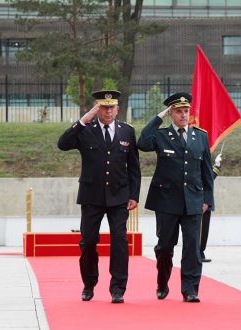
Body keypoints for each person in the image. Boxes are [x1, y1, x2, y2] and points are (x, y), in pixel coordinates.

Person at [57, 90, 141, 304]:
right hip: (92, 196)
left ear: (118, 109)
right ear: (97, 108)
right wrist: (84, 120)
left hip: (119, 195)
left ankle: (118, 288)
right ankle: (89, 284)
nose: (108, 111)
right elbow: (63, 144)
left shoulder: (127, 132)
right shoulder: (86, 130)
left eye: (112, 107)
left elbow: (134, 167)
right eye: (104, 107)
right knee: (88, 242)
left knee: (120, 242)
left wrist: (134, 195)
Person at [137, 92, 214, 303]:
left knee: (192, 248)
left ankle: (190, 290)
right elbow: (142, 143)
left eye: (186, 111)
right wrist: (158, 117)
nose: (183, 115)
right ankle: (162, 282)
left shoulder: (200, 136)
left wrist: (208, 199)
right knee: (164, 247)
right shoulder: (161, 135)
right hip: (166, 201)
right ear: (171, 113)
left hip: (193, 201)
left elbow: (206, 171)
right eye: (178, 111)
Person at [199, 152, 222, 263]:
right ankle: (197, 252)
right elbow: (205, 178)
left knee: (204, 231)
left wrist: (217, 166)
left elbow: (209, 177)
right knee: (199, 230)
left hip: (206, 202)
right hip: (200, 201)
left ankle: (200, 251)